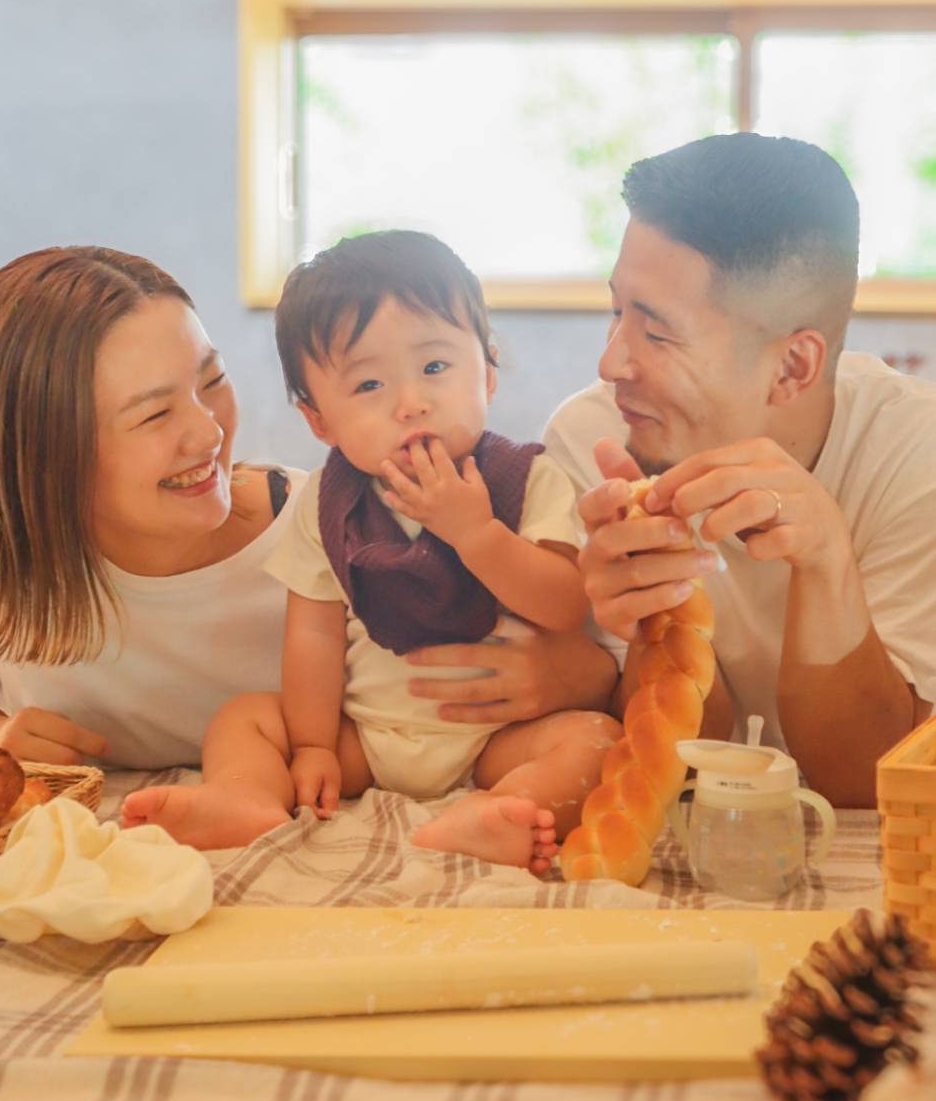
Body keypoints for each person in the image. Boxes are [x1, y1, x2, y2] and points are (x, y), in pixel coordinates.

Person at [123, 232, 621, 868]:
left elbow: (565, 605)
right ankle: (245, 797)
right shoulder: (325, 503)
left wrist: (477, 535)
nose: (411, 404)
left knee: (599, 741)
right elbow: (314, 635)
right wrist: (313, 746)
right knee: (243, 718)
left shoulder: (529, 479)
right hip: (368, 734)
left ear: (488, 373)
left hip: (498, 737)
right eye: (368, 385)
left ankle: (498, 812)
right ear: (319, 421)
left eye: (435, 368)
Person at [544, 132, 936, 808]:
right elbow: (682, 771)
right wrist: (658, 615)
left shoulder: (913, 452)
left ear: (792, 367)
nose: (611, 363)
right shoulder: (596, 438)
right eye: (616, 311)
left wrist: (826, 562)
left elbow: (868, 785)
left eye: (656, 333)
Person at [0, 246, 305, 777]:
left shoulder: (327, 532)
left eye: (213, 381)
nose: (209, 433)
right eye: (155, 414)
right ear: (45, 457)